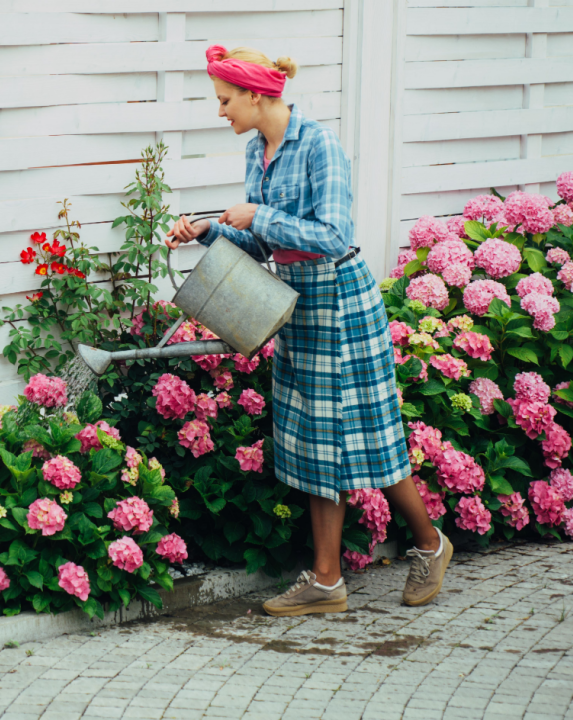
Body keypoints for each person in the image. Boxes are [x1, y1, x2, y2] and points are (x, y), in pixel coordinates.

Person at [165, 45, 451, 616]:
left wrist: (259, 216)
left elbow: (334, 233)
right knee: (317, 441)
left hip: (341, 300)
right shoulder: (257, 151)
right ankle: (326, 580)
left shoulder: (318, 145)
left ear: (253, 94)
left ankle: (430, 543)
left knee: (369, 433)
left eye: (224, 100)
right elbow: (264, 246)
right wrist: (204, 231)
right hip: (296, 304)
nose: (220, 111)